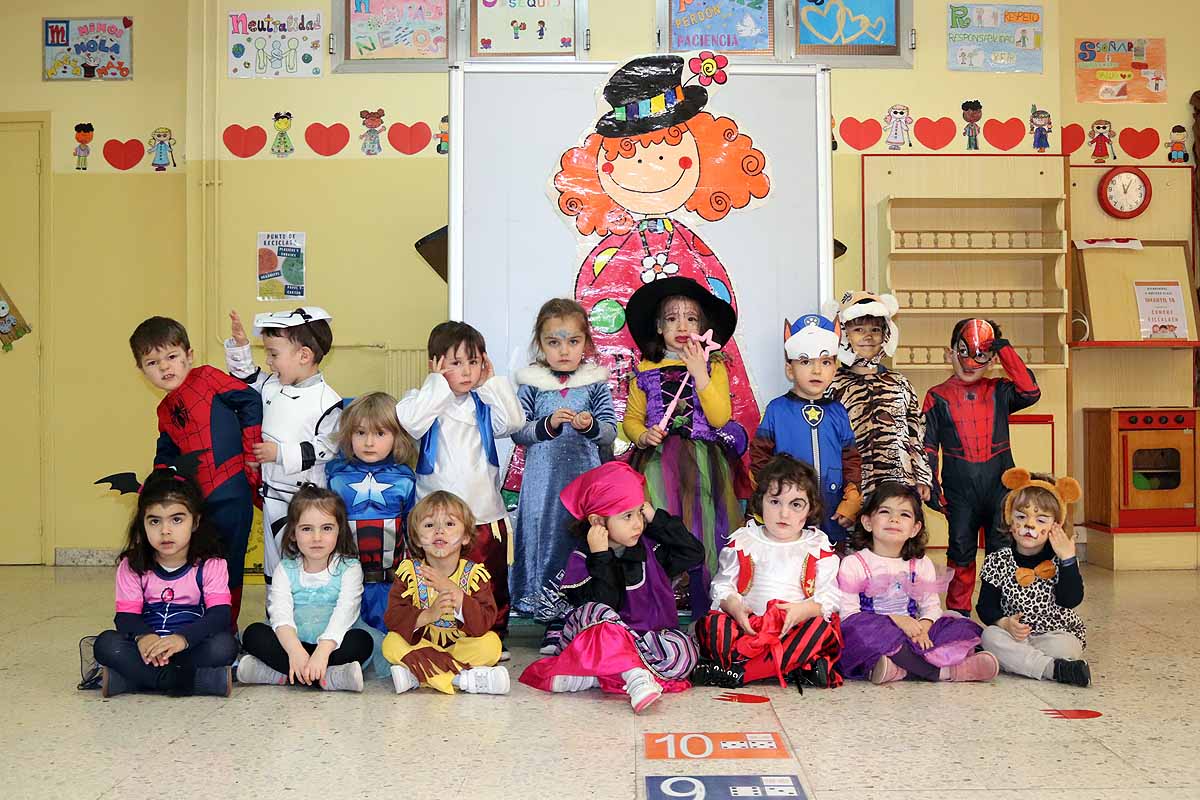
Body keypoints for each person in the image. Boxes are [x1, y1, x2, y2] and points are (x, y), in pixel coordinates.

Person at [520, 462, 704, 713]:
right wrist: (601, 557)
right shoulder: (584, 560)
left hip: (643, 642)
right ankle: (635, 677)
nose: (637, 524)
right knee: (597, 612)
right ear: (597, 520)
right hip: (599, 640)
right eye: (627, 516)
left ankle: (598, 677)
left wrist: (656, 518)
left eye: (639, 512)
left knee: (685, 652)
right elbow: (606, 606)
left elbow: (694, 553)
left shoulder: (651, 549)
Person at [621, 276, 746, 618]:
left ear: (703, 328)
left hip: (704, 463)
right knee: (660, 520)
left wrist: (699, 372)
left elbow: (721, 417)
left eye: (691, 319)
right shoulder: (645, 369)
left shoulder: (714, 366)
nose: (681, 325)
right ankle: (659, 599)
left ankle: (706, 601)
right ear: (659, 327)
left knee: (704, 524)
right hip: (658, 463)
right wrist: (641, 435)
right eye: (672, 318)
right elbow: (631, 419)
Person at [396, 321, 523, 650]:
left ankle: (493, 634)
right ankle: (437, 634)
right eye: (455, 363)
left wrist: (492, 382)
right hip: (436, 517)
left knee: (489, 578)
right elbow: (410, 423)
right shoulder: (422, 401)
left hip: (483, 515)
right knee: (435, 575)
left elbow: (513, 422)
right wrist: (437, 385)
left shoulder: (483, 403)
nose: (466, 371)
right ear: (436, 365)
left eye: (473, 361)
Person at [130, 316, 261, 626]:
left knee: (230, 562)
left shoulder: (207, 378)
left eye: (172, 357)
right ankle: (194, 622)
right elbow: (167, 451)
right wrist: (157, 483)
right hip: (197, 501)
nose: (164, 368)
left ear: (189, 355)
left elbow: (250, 400)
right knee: (199, 562)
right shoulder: (163, 411)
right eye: (152, 363)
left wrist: (252, 450)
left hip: (232, 489)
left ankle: (226, 629)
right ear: (141, 370)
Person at [510, 299, 617, 650]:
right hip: (542, 486)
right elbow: (518, 431)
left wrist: (590, 425)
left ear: (586, 342)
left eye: (573, 341)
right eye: (553, 342)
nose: (564, 350)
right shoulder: (532, 383)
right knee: (546, 542)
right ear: (540, 344)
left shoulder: (595, 383)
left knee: (580, 542)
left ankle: (576, 617)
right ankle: (549, 618)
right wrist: (548, 424)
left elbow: (610, 433)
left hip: (584, 483)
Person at [693, 455, 844, 691]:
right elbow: (722, 586)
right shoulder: (744, 541)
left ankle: (740, 673)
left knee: (819, 630)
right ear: (760, 502)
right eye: (775, 502)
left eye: (796, 504)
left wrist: (804, 609)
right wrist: (734, 606)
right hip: (748, 627)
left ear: (810, 509)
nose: (784, 514)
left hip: (791, 629)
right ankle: (787, 665)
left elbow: (830, 598)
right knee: (712, 623)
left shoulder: (817, 546)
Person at [923, 318, 1040, 616]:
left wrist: (1007, 352)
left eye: (982, 355)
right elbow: (927, 446)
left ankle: (998, 612)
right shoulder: (936, 396)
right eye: (963, 351)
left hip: (1000, 487)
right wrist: (932, 486)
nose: (971, 362)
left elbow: (1030, 392)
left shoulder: (1000, 390)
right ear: (949, 353)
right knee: (960, 551)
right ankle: (958, 615)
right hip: (959, 491)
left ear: (992, 359)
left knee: (1001, 551)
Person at [93, 469, 238, 698]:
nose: (165, 530)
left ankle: (137, 679)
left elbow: (219, 615)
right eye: (154, 521)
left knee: (224, 646)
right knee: (106, 644)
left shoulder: (211, 564)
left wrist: (182, 639)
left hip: (189, 646)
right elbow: (125, 617)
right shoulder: (132, 565)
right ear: (143, 524)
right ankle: (192, 681)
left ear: (195, 522)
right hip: (148, 648)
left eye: (177, 519)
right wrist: (145, 637)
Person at [838, 482, 997, 684]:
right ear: (868, 522)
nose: (894, 519)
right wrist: (895, 620)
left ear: (915, 528)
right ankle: (946, 672)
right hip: (876, 633)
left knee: (960, 624)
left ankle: (899, 669)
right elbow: (849, 616)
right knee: (856, 630)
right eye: (885, 512)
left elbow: (931, 607)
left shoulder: (920, 564)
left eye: (904, 515)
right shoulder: (854, 563)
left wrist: (924, 625)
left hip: (915, 631)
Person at [226, 307, 342, 580]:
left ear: (304, 355)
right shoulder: (271, 386)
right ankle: (275, 618)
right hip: (272, 495)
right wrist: (240, 346)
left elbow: (328, 447)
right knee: (274, 563)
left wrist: (281, 454)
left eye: (273, 354)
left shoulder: (327, 400)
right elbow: (246, 377)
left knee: (306, 562)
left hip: (308, 501)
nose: (268, 362)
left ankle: (307, 616)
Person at [238, 486, 373, 691]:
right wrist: (295, 651)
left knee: (362, 641)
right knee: (253, 633)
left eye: (326, 528)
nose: (316, 537)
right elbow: (280, 613)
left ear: (339, 531)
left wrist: (322, 652)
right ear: (293, 533)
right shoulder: (285, 569)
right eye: (307, 529)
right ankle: (330, 677)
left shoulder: (350, 568)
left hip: (331, 645)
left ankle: (278, 674)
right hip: (292, 644)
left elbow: (346, 612)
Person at [382, 491, 510, 695]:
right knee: (391, 643)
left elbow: (483, 624)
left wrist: (454, 591)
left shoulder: (475, 575)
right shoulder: (409, 572)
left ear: (466, 536)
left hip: (460, 647)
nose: (439, 531)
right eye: (429, 525)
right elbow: (393, 618)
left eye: (450, 525)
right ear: (416, 538)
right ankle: (462, 679)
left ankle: (419, 675)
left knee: (491, 644)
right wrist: (428, 615)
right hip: (422, 646)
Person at [751, 313, 861, 546]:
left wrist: (852, 494)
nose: (816, 371)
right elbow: (759, 458)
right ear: (790, 370)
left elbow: (850, 458)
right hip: (788, 515)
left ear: (835, 368)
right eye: (805, 361)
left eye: (825, 362)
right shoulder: (777, 410)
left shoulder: (838, 412)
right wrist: (771, 496)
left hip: (832, 514)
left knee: (829, 568)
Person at [978, 469, 1091, 687]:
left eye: (1041, 519)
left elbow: (1071, 600)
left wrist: (1068, 560)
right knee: (990, 637)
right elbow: (985, 607)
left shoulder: (1062, 558)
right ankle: (1053, 669)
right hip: (1016, 636)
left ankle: (1022, 662)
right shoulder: (997, 560)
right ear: (1010, 522)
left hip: (1055, 635)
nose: (1030, 525)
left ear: (1055, 525)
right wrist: (1005, 623)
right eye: (1021, 517)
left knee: (1067, 648)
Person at [827, 292, 933, 501]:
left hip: (898, 485)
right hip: (852, 488)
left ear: (886, 334)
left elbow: (915, 432)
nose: (868, 337)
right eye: (858, 330)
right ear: (844, 334)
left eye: (875, 330)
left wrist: (922, 476)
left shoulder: (900, 383)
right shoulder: (832, 385)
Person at [326, 392, 417, 633]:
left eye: (380, 433)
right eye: (360, 432)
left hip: (391, 585)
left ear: (397, 436)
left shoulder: (405, 478)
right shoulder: (335, 476)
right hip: (343, 585)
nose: (369, 442)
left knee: (392, 642)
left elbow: (413, 534)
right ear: (348, 435)